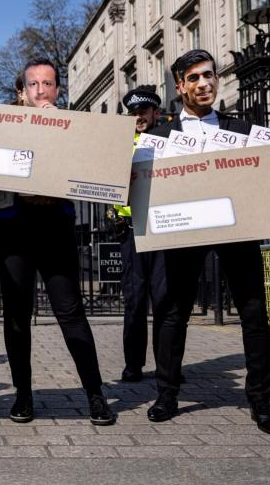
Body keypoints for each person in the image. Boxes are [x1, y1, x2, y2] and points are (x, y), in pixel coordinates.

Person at [146, 49, 270, 435]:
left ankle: (261, 401)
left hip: (238, 229)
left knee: (254, 313)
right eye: (195, 78)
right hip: (184, 232)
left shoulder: (242, 130)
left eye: (210, 76)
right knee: (174, 313)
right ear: (179, 86)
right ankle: (166, 394)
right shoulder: (159, 137)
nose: (205, 84)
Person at [0, 59, 116, 426]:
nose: (40, 91)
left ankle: (96, 395)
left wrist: (58, 129)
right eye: (33, 84)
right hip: (12, 228)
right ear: (21, 92)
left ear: (57, 91)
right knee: (17, 315)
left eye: (48, 84)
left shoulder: (71, 125)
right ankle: (23, 395)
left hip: (55, 227)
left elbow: (96, 162)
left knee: (70, 311)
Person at [115, 85, 167, 383]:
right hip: (132, 228)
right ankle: (133, 364)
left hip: (164, 227)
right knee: (135, 301)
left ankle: (166, 366)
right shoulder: (119, 144)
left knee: (164, 300)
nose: (138, 117)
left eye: (143, 112)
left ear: (155, 113)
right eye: (133, 113)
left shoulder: (171, 141)